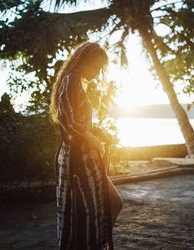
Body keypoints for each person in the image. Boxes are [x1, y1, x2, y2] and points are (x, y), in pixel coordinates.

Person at [49, 42, 115, 250]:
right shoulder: (72, 79)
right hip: (76, 157)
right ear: (84, 60)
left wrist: (97, 132)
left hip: (82, 154)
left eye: (100, 69)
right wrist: (92, 138)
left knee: (92, 209)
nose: (97, 73)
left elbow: (77, 122)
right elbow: (68, 121)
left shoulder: (74, 81)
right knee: (83, 212)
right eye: (95, 67)